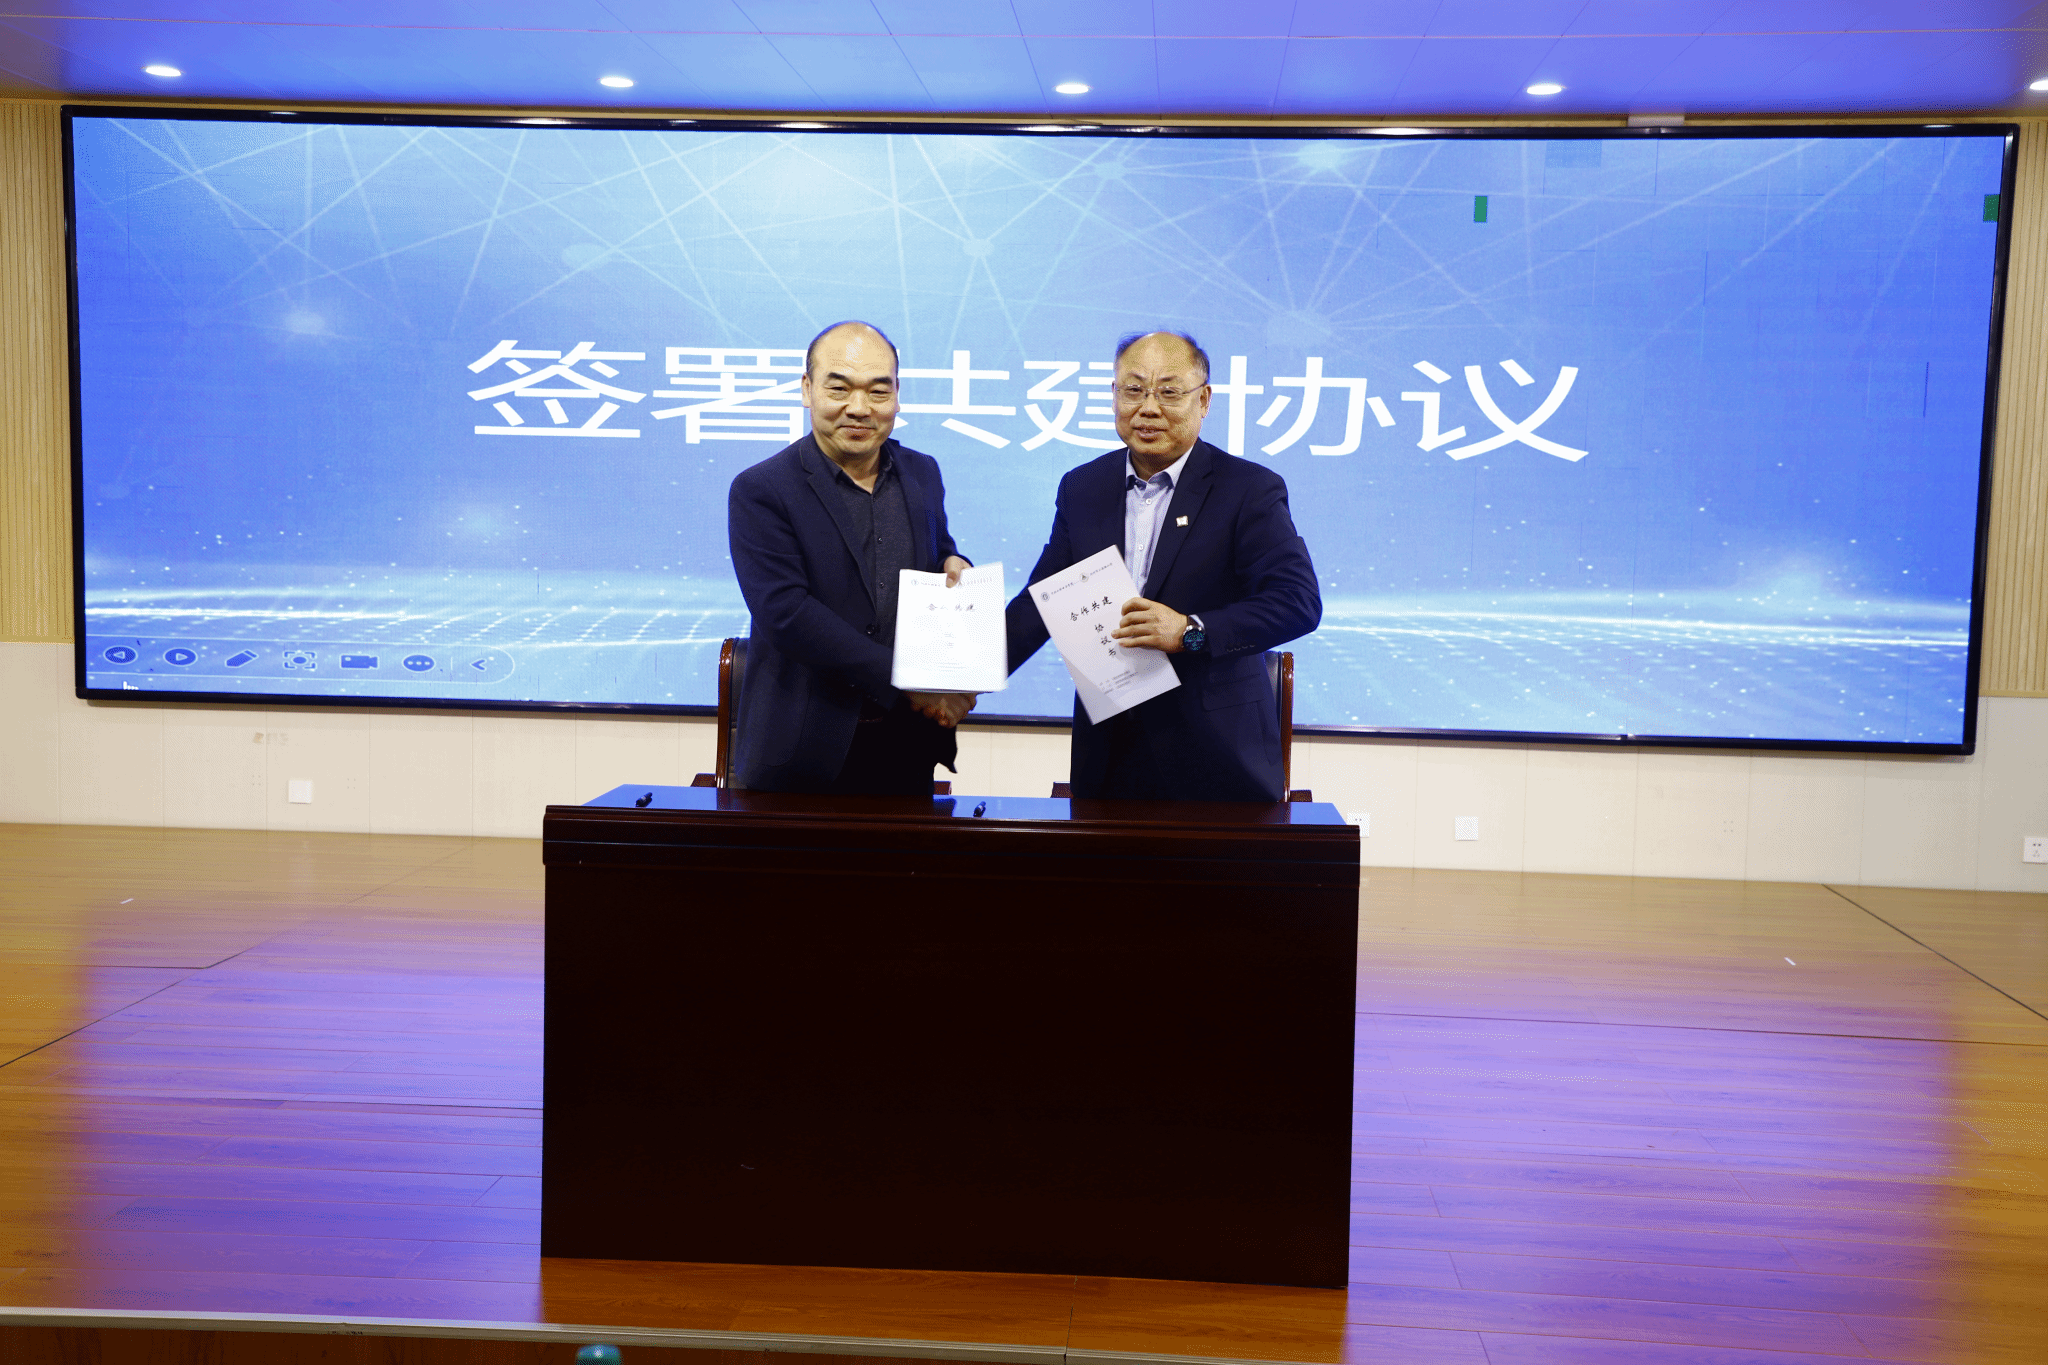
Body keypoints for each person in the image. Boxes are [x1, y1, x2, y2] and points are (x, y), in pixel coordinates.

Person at [1004, 330, 1321, 801]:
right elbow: (1041, 604)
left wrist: (1191, 630)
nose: (1148, 408)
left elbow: (1298, 603)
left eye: (1169, 392)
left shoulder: (1248, 489)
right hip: (1108, 753)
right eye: (1134, 390)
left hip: (1218, 759)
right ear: (1114, 395)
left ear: (1204, 400)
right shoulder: (1083, 487)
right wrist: (962, 680)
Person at [727, 320, 975, 794]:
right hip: (802, 750)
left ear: (897, 395)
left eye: (878, 391)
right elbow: (786, 614)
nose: (859, 408)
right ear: (807, 389)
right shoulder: (761, 489)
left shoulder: (922, 472)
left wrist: (953, 563)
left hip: (906, 745)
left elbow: (937, 550)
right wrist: (907, 679)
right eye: (838, 388)